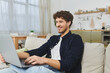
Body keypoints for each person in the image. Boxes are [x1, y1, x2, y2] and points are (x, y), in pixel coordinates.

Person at [0, 10, 84, 73]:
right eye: (56, 22)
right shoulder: (53, 39)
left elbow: (69, 64)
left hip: (59, 71)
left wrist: (44, 60)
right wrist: (12, 55)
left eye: (61, 22)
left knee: (35, 69)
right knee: (9, 68)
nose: (57, 25)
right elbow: (37, 51)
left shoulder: (76, 39)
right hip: (46, 68)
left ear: (69, 22)